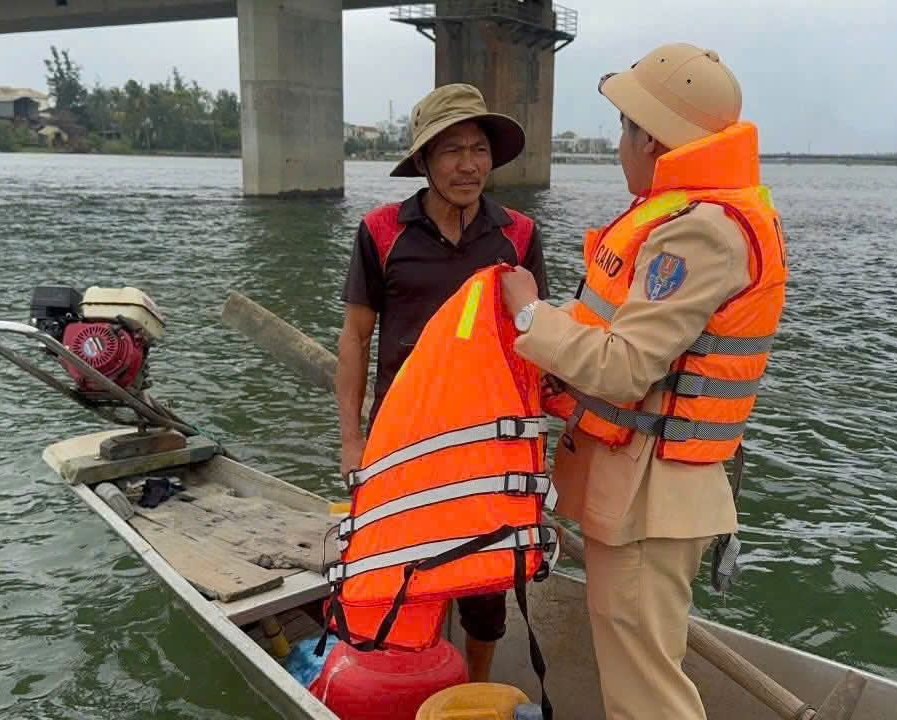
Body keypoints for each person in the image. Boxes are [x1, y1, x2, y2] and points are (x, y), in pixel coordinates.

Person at [500, 44, 788, 719]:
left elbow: (625, 367)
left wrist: (526, 312)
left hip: (650, 499)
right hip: (643, 487)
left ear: (650, 138)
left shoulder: (700, 233)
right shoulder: (702, 214)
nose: (618, 144)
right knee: (641, 675)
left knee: (645, 697)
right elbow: (614, 330)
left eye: (625, 128)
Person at [336, 83, 550, 681]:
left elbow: (538, 343)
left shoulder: (520, 235)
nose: (468, 164)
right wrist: (353, 442)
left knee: (486, 589)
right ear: (424, 162)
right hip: (399, 445)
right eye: (450, 150)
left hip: (485, 445)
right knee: (401, 582)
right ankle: (406, 689)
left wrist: (535, 457)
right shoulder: (381, 232)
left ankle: (472, 689)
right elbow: (354, 339)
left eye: (478, 148)